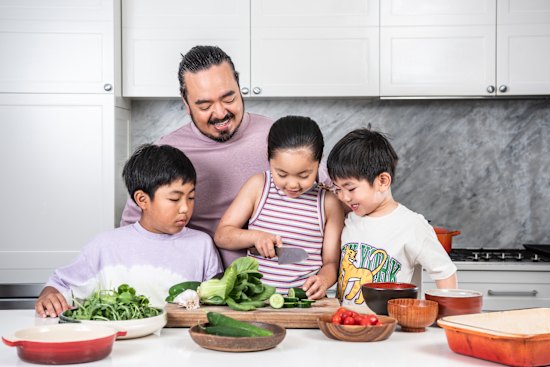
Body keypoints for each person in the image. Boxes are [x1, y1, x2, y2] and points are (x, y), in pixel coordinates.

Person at [120, 45, 274, 268]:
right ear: (186, 103)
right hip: (193, 288)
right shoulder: (168, 150)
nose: (220, 113)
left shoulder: (276, 136)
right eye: (205, 105)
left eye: (228, 98)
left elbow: (330, 193)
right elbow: (132, 229)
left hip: (275, 282)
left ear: (239, 87)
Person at [35, 144, 223, 317]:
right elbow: (59, 285)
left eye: (191, 197)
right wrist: (49, 295)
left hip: (183, 346)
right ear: (142, 200)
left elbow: (216, 301)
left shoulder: (202, 244)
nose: (185, 208)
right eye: (175, 199)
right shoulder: (105, 245)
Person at [214, 116, 344, 300]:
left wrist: (323, 280)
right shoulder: (258, 186)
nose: (292, 184)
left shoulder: (328, 202)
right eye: (281, 174)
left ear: (318, 162)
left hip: (304, 302)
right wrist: (255, 237)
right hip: (255, 302)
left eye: (304, 175)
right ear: (269, 160)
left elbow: (331, 262)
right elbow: (222, 236)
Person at [327, 129, 457, 306]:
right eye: (337, 189)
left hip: (394, 330)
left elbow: (445, 272)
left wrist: (446, 318)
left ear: (382, 181)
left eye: (350, 189)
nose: (344, 197)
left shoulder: (411, 225)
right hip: (350, 328)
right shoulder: (350, 218)